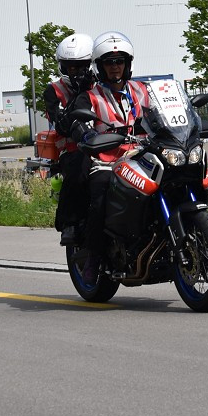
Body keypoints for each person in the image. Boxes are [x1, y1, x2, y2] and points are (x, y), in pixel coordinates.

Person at [64, 31, 150, 281]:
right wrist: (86, 134)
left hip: (141, 156)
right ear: (100, 67)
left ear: (127, 64)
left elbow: (161, 113)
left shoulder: (142, 90)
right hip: (106, 161)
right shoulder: (90, 95)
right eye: (109, 63)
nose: (115, 67)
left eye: (119, 61)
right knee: (101, 191)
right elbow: (78, 121)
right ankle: (93, 255)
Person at [43, 32, 94, 246]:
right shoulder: (53, 91)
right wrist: (80, 93)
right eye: (71, 67)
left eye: (81, 66)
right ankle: (69, 223)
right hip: (72, 150)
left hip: (107, 145)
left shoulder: (99, 85)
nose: (76, 71)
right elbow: (61, 123)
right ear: (63, 67)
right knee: (78, 168)